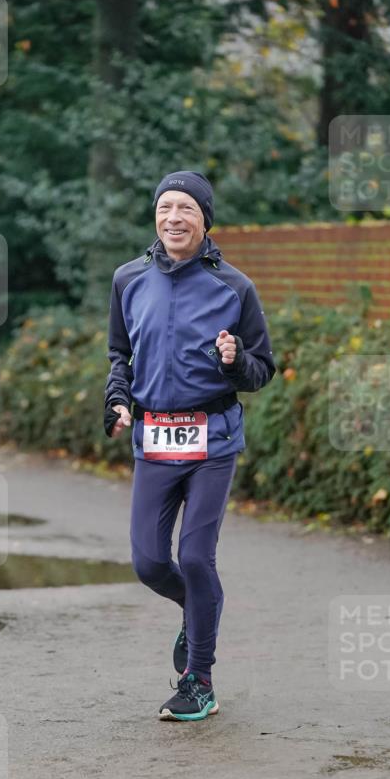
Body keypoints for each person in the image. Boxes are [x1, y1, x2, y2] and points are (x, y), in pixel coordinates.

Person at [104, 170, 276, 721]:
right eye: (164, 207)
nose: (173, 218)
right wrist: (118, 401)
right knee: (150, 563)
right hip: (153, 438)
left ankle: (198, 680)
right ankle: (197, 607)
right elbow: (119, 356)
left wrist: (234, 360)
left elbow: (262, 369)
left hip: (213, 439)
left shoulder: (235, 287)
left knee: (196, 556)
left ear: (205, 220)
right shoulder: (128, 280)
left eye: (186, 209)